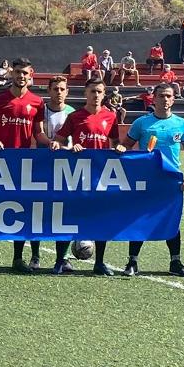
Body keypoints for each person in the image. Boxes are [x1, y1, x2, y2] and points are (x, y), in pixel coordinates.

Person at [0, 57, 56, 272]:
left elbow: (39, 133)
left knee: (23, 209)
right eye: (17, 72)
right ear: (11, 73)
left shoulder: (37, 102)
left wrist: (51, 143)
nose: (21, 76)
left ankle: (18, 258)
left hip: (25, 163)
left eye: (25, 73)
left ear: (31, 73)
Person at [121, 83, 184, 278]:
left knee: (172, 220)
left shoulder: (181, 124)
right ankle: (132, 262)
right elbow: (125, 146)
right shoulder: (142, 123)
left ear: (173, 99)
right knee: (139, 218)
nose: (164, 99)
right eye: (161, 96)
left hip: (172, 181)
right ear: (153, 99)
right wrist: (123, 150)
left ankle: (175, 261)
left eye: (168, 96)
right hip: (146, 179)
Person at [53, 78, 125, 275]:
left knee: (100, 218)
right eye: (92, 91)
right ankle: (60, 260)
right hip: (76, 175)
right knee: (69, 216)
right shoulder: (75, 116)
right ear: (86, 93)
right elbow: (57, 143)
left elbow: (116, 142)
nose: (96, 95)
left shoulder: (110, 117)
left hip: (100, 176)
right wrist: (70, 147)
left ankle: (99, 263)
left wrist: (118, 147)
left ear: (104, 94)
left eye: (99, 92)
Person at [43, 75, 78, 273]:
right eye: (55, 88)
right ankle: (36, 255)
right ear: (49, 90)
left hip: (67, 168)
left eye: (62, 88)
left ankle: (63, 258)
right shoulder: (42, 111)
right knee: (40, 209)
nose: (58, 92)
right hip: (43, 165)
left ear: (67, 92)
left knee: (64, 212)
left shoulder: (73, 113)